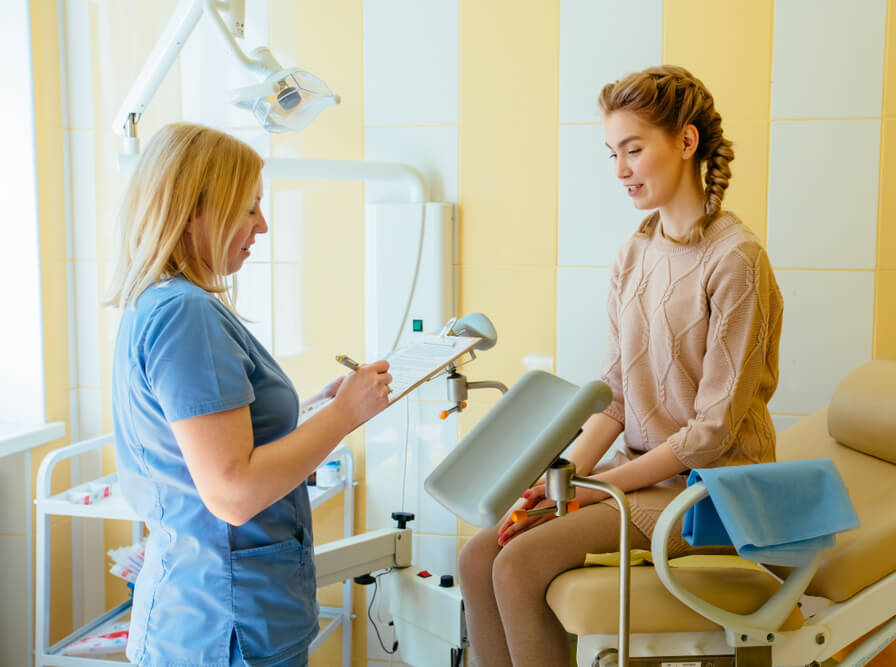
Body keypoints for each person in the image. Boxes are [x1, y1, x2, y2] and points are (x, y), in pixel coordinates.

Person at [457, 65, 784, 667]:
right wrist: (555, 485)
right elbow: (614, 395)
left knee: (522, 562)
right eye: (612, 153)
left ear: (686, 143)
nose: (620, 170)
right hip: (642, 473)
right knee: (479, 556)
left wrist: (594, 489)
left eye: (633, 150)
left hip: (711, 490)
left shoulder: (736, 260)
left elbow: (711, 435)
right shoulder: (634, 253)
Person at [106, 122, 392, 667]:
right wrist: (345, 415)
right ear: (194, 212)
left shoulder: (163, 302)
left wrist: (316, 409)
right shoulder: (184, 313)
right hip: (222, 622)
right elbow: (231, 492)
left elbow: (218, 441)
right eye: (249, 207)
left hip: (217, 611)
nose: (262, 225)